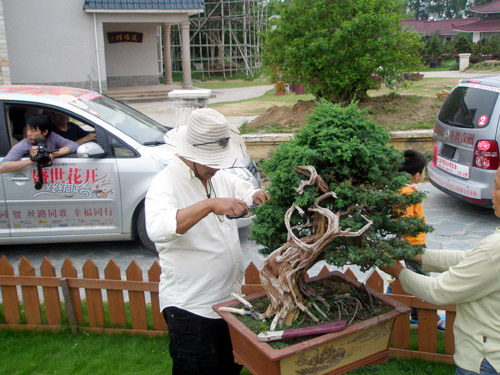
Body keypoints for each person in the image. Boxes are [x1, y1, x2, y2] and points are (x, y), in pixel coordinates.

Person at [145, 108, 269, 375]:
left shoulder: (216, 175)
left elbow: (244, 190)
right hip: (191, 310)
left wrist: (258, 194)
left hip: (228, 303)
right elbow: (157, 228)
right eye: (211, 161)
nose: (217, 167)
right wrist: (210, 205)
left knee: (228, 368)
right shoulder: (164, 184)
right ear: (191, 154)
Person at [380, 166, 500, 375]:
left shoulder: (495, 248)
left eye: (496, 187)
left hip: (484, 361)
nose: (491, 192)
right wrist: (415, 255)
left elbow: (438, 291)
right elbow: (470, 259)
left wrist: (398, 271)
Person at [0, 113, 79, 173]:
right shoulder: (25, 144)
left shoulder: (52, 136)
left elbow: (73, 145)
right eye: (27, 129)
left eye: (33, 130)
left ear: (45, 132)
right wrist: (32, 160)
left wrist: (53, 154)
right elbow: (2, 167)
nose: (29, 134)